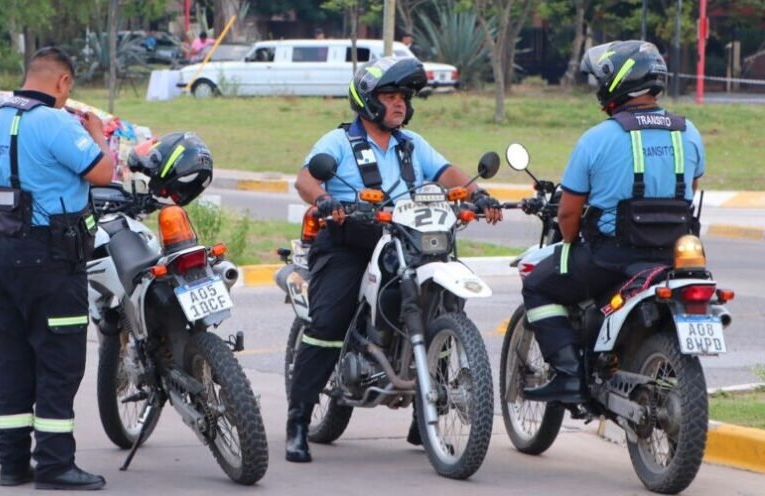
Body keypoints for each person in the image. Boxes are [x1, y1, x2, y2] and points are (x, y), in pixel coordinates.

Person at [286, 56, 503, 463]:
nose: (400, 104)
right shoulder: (338, 143)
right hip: (350, 241)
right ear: (368, 101)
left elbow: (447, 173)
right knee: (329, 322)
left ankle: (425, 414)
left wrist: (477, 196)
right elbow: (306, 179)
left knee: (442, 302)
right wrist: (326, 200)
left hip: (410, 239)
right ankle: (297, 421)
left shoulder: (411, 143)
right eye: (390, 96)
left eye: (403, 96)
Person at [520, 40, 705, 403]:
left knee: (538, 286)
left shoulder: (598, 138)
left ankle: (570, 375)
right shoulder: (690, 132)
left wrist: (572, 241)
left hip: (610, 259)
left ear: (617, 83)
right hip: (672, 261)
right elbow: (689, 187)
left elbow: (569, 214)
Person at [0, 46, 114, 490]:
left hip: (0, 250)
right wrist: (97, 136)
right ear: (63, 83)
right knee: (59, 360)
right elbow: (103, 173)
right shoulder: (56, 122)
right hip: (50, 256)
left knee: (13, 358)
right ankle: (55, 465)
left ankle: (12, 463)